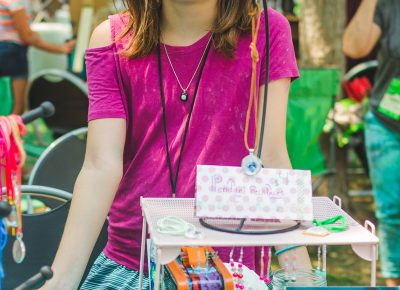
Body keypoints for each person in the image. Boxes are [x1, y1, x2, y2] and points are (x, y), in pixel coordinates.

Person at [42, 0, 311, 289]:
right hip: (134, 266)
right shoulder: (111, 38)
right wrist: (59, 282)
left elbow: (270, 158)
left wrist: (300, 277)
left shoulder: (266, 31)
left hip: (232, 272)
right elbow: (100, 166)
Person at [343, 0, 400, 286]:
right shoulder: (388, 6)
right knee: (390, 212)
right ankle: (393, 280)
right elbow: (354, 47)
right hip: (387, 121)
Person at [0, 0, 75, 115]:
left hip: (6, 50)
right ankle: (11, 132)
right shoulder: (16, 3)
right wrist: (60, 49)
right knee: (17, 105)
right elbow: (26, 37)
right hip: (14, 52)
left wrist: (31, 34)